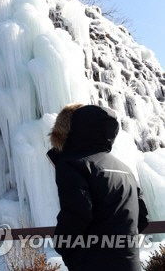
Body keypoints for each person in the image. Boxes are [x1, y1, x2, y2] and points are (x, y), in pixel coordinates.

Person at [47, 104, 149, 271]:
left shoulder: (72, 164)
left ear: (77, 128)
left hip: (92, 263)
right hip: (130, 264)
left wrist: (63, 247)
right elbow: (142, 217)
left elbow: (77, 213)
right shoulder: (124, 169)